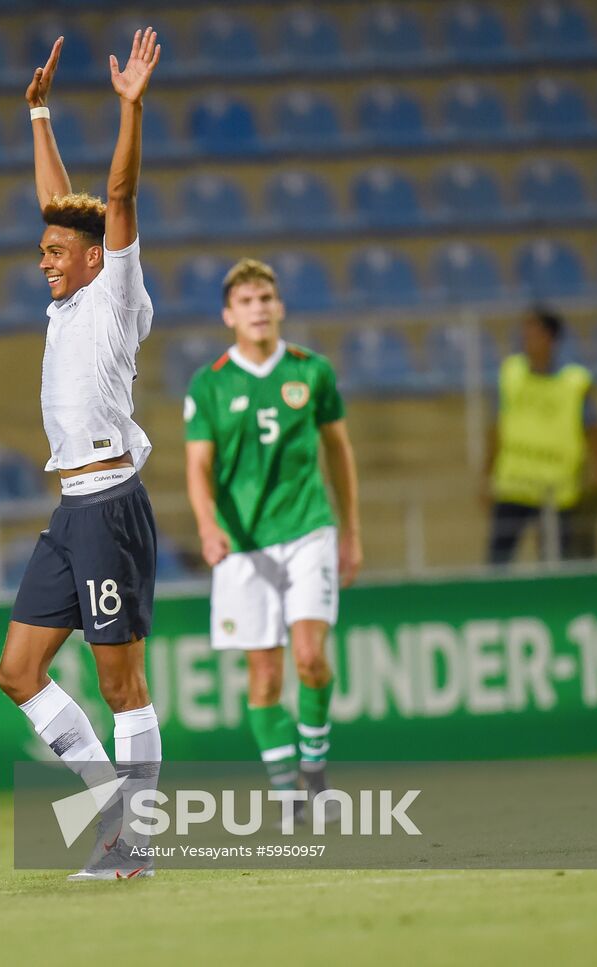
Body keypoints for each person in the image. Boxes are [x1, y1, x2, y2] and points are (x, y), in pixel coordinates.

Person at [0, 30, 163, 881]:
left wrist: (129, 109)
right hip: (72, 508)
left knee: (121, 685)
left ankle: (132, 841)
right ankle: (112, 818)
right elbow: (61, 205)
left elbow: (117, 193)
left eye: (56, 254)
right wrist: (41, 114)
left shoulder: (115, 292)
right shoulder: (68, 302)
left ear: (96, 259)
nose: (44, 262)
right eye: (43, 253)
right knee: (18, 671)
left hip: (109, 505)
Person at [183, 259, 362, 817]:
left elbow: (339, 451)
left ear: (280, 307)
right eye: (246, 301)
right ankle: (286, 789)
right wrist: (208, 526)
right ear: (228, 315)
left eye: (266, 298)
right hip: (243, 544)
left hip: (308, 529)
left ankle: (314, 770)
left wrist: (350, 531)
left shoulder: (312, 372)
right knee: (264, 672)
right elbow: (198, 466)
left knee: (309, 657)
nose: (258, 309)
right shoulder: (211, 383)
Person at [483, 307, 597, 565]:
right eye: (525, 332)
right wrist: (487, 473)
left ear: (551, 338)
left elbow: (596, 429)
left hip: (557, 489)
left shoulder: (573, 382)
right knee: (497, 562)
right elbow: (495, 427)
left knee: (556, 562)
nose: (526, 337)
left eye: (533, 332)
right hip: (514, 484)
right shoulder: (511, 373)